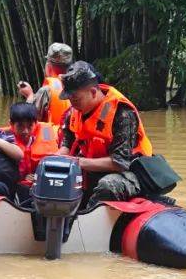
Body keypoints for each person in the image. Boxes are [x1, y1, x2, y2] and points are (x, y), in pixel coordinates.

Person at [56, 61, 153, 201]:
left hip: (129, 171)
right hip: (90, 166)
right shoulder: (73, 112)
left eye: (76, 99)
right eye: (70, 99)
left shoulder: (122, 113)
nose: (72, 104)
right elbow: (66, 145)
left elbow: (119, 163)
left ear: (93, 92)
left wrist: (77, 162)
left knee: (107, 186)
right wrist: (56, 159)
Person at [17, 42, 73, 126]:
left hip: (49, 136)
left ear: (48, 66)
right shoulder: (78, 86)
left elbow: (27, 121)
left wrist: (29, 96)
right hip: (70, 136)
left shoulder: (46, 90)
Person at [7, 102, 60, 186]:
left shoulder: (47, 132)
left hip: (43, 182)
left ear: (36, 123)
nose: (25, 131)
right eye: (20, 126)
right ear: (11, 124)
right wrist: (22, 178)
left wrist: (38, 175)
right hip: (17, 185)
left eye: (30, 126)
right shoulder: (4, 138)